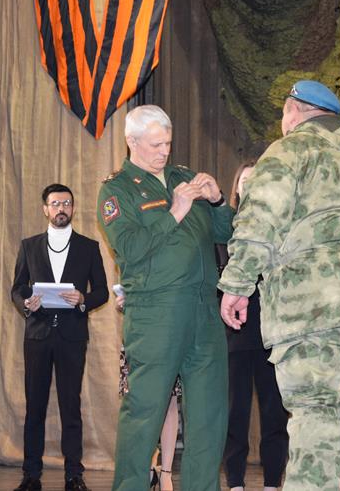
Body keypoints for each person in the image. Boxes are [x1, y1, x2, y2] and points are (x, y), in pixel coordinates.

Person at [219, 80, 340, 491]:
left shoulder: (289, 152)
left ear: (293, 111)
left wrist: (237, 285)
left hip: (312, 309)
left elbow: (258, 224)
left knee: (316, 413)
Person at [97, 105, 234, 491]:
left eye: (168, 143)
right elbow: (129, 248)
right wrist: (175, 211)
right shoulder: (117, 189)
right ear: (131, 141)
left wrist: (218, 201)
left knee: (209, 415)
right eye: (155, 144)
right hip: (156, 312)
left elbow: (227, 234)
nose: (164, 151)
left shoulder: (184, 177)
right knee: (144, 411)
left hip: (204, 310)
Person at [10, 184, 109, 491]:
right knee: (35, 407)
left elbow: (102, 291)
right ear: (45, 209)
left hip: (72, 336)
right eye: (55, 204)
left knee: (71, 406)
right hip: (38, 335)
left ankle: (74, 475)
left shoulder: (89, 247)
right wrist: (26, 303)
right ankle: (31, 475)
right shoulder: (29, 246)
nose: (61, 209)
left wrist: (83, 298)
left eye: (66, 203)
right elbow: (17, 289)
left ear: (73, 208)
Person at [217, 162, 288, 491]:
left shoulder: (279, 225)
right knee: (236, 411)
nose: (250, 185)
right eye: (245, 180)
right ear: (237, 188)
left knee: (275, 412)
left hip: (273, 332)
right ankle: (235, 481)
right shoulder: (226, 227)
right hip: (236, 332)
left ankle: (273, 481)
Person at [115, 292, 180, 491]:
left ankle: (166, 472)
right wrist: (123, 301)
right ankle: (148, 467)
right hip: (138, 333)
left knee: (169, 400)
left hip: (168, 329)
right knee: (138, 403)